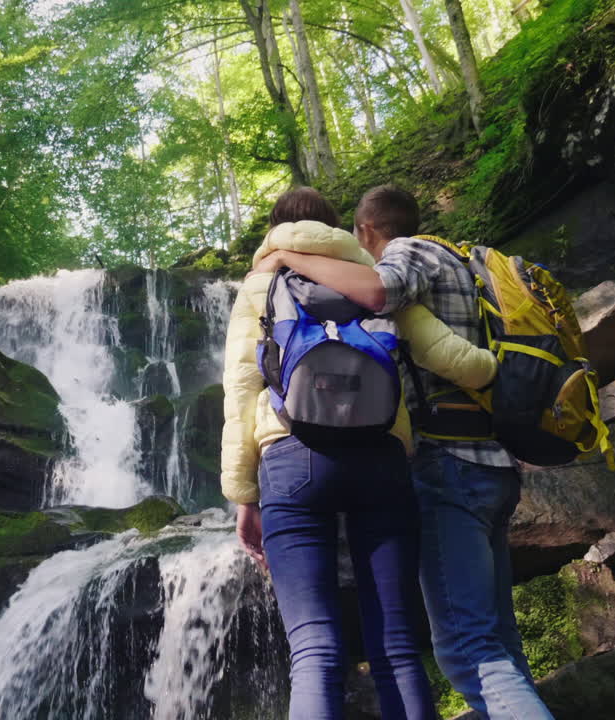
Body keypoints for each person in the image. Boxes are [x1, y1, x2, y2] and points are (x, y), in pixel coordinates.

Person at [255, 185, 554, 720]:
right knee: (499, 643)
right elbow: (472, 362)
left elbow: (375, 293)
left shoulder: (407, 257)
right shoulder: (463, 258)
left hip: (448, 464)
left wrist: (285, 255)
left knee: (469, 651)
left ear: (366, 231)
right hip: (494, 466)